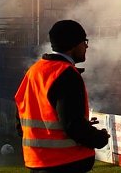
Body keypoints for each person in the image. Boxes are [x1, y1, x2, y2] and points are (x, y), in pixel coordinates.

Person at [15, 20, 110, 172]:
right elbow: (72, 125)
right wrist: (99, 138)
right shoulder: (66, 74)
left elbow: (21, 115)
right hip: (65, 162)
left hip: (37, 161)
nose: (86, 46)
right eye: (84, 41)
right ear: (73, 44)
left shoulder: (34, 71)